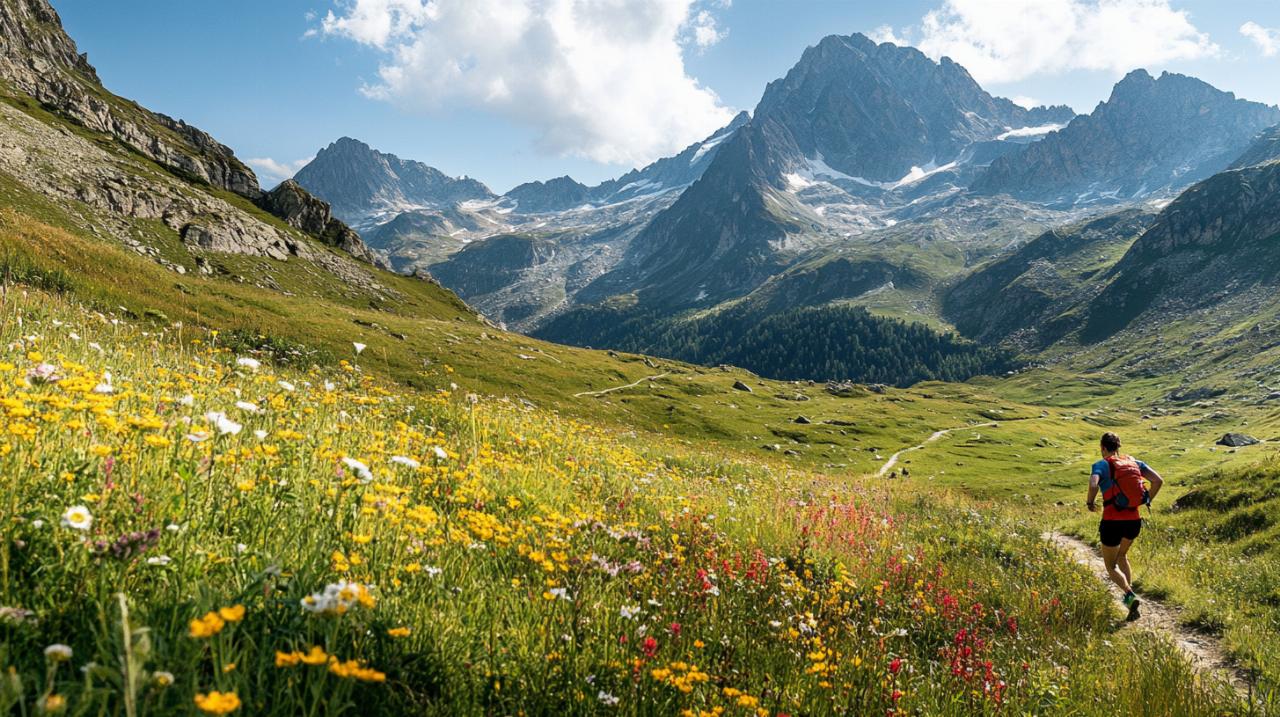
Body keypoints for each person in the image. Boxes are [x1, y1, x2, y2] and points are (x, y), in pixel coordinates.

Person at [1086, 432, 1163, 621]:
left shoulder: (1101, 465)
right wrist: (1146, 500)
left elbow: (1094, 482)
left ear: (1102, 447)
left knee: (1111, 566)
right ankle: (1130, 601)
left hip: (1112, 522)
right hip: (1133, 521)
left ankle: (1129, 594)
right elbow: (1158, 480)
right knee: (1122, 556)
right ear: (1118, 446)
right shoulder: (1134, 463)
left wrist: (1090, 502)